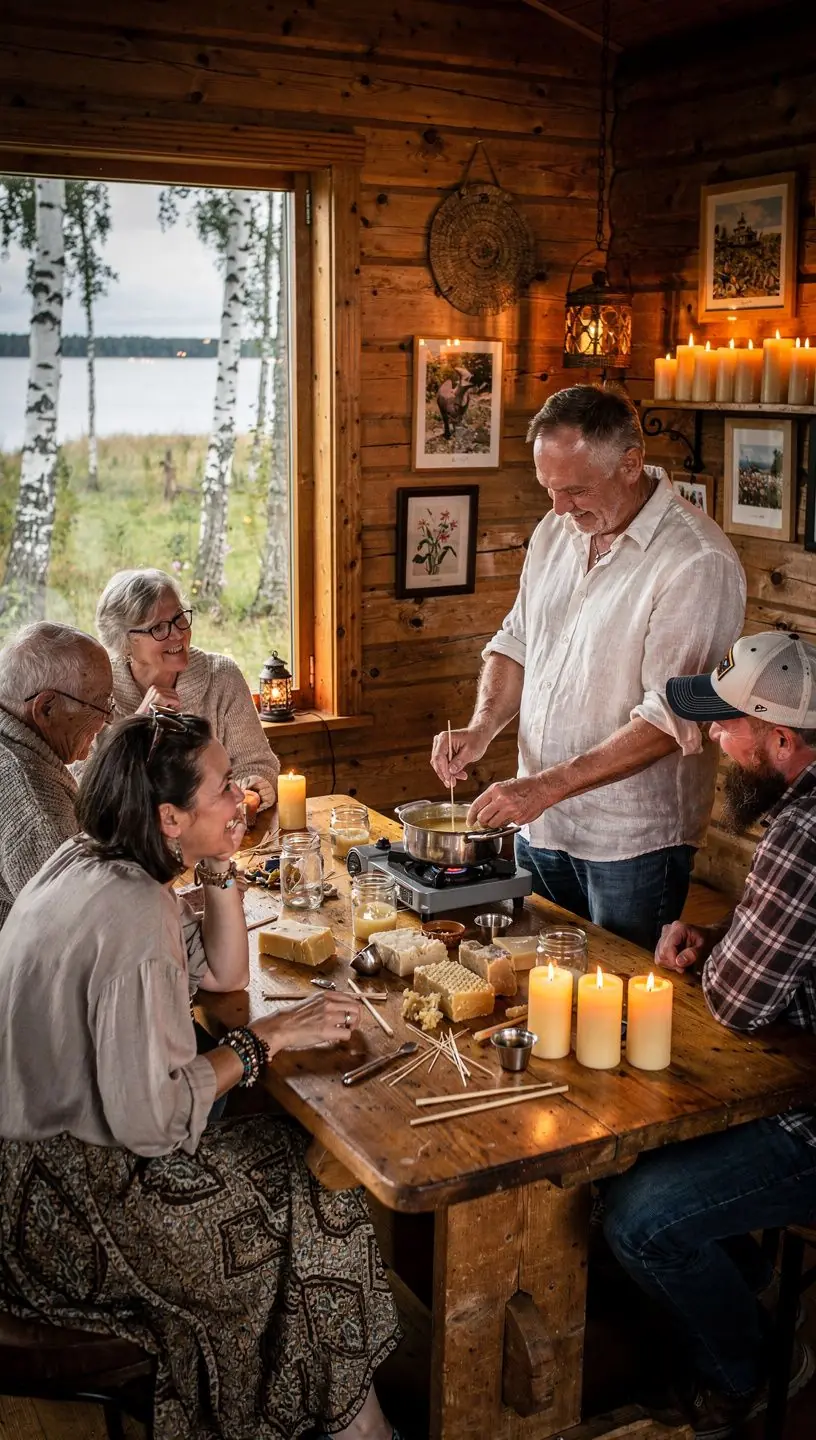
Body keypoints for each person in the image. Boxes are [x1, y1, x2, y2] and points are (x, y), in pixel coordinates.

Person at [0, 709, 401, 1440]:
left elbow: (221, 970)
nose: (242, 797)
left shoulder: (89, 862)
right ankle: (351, 1425)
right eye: (223, 789)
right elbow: (152, 1120)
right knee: (321, 1191)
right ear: (168, 817)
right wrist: (263, 1040)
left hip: (31, 1184)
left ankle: (343, 1415)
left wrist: (219, 863)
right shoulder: (133, 911)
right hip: (74, 1218)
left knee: (298, 1180)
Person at [431, 385, 746, 950]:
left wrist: (544, 787)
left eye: (575, 489)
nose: (558, 508)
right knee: (541, 980)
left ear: (631, 464)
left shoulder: (696, 560)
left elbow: (671, 719)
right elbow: (516, 641)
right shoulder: (557, 529)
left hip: (631, 842)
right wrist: (482, 727)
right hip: (541, 825)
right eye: (549, 489)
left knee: (619, 1001)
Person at [603, 632, 816, 1438]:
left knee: (637, 1217)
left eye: (730, 727)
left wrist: (717, 959)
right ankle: (753, 1279)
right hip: (792, 1076)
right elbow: (785, 944)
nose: (715, 741)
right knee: (640, 1146)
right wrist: (722, 933)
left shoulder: (802, 834)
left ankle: (749, 1369)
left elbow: (734, 1005)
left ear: (782, 740)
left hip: (807, 1115)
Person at [95, 567, 280, 809]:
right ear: (125, 640)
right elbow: (92, 790)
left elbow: (257, 765)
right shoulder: (98, 691)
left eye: (179, 617)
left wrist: (253, 791)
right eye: (158, 628)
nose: (178, 634)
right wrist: (140, 722)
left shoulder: (222, 676)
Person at [0, 620, 113, 928]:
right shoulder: (31, 796)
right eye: (101, 706)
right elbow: (81, 925)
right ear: (46, 707)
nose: (107, 720)